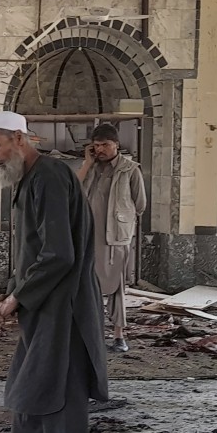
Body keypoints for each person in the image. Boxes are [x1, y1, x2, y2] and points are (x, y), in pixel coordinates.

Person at [0, 111, 109, 433]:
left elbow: (58, 255)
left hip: (65, 313)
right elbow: (31, 253)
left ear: (19, 139)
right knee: (29, 396)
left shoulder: (51, 175)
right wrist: (8, 295)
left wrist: (16, 300)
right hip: (44, 311)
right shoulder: (29, 178)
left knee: (61, 407)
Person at [76, 122, 147, 353]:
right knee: (88, 285)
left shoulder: (129, 169)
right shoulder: (91, 168)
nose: (101, 150)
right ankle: (91, 334)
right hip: (89, 236)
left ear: (116, 145)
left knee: (116, 286)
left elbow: (140, 204)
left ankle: (118, 336)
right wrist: (87, 163)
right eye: (96, 146)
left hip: (116, 237)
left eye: (105, 144)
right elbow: (74, 193)